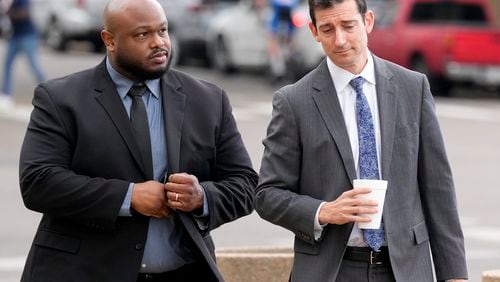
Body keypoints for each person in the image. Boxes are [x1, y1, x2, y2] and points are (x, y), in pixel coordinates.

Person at [18, 0, 257, 281]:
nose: (159, 43)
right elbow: (38, 181)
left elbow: (245, 184)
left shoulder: (208, 100)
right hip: (84, 272)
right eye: (142, 35)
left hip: (183, 272)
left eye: (163, 31)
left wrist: (201, 197)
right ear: (109, 40)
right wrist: (129, 197)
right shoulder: (60, 99)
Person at [255, 0, 467, 281]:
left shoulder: (412, 88)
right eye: (328, 29)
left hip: (406, 269)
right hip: (332, 270)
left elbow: (438, 188)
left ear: (367, 21)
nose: (340, 39)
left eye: (348, 25)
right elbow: (267, 195)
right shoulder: (294, 101)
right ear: (314, 31)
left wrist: (454, 274)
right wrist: (324, 211)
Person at [0, 0, 45, 109]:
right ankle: (6, 94)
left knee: (34, 65)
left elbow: (24, 13)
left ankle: (48, 89)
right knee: (7, 65)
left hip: (27, 36)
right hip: (15, 36)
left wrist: (7, 11)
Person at [267, 0, 299, 83]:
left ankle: (287, 72)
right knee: (276, 51)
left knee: (287, 51)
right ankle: (278, 73)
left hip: (288, 26)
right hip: (277, 27)